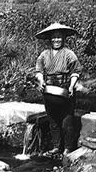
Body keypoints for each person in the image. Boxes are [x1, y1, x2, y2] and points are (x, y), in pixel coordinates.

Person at [34, 22, 83, 156]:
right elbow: (38, 71)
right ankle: (56, 147)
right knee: (53, 121)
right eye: (54, 37)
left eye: (59, 37)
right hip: (49, 92)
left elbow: (76, 71)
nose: (56, 40)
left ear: (63, 38)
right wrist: (41, 81)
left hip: (66, 90)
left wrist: (72, 85)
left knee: (67, 121)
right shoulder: (44, 55)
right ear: (50, 39)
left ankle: (68, 148)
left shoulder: (69, 54)